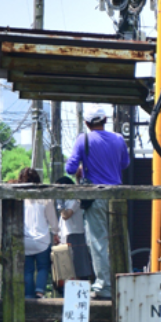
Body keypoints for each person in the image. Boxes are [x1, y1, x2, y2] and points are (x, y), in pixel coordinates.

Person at [65, 105, 130, 299]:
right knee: (120, 239)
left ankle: (105, 287)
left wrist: (84, 170)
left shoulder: (83, 139)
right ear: (105, 121)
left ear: (86, 123)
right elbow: (125, 163)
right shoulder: (119, 139)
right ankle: (125, 282)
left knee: (99, 242)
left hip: (96, 197)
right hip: (118, 196)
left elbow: (70, 168)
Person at [17, 167, 59, 299]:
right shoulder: (45, 198)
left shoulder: (19, 198)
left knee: (28, 270)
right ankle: (40, 292)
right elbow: (52, 219)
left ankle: (28, 296)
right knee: (43, 267)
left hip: (25, 240)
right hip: (42, 241)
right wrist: (56, 232)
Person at [55, 176, 93, 280]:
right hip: (65, 235)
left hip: (75, 234)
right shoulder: (65, 201)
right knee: (67, 267)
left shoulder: (75, 199)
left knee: (77, 266)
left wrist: (60, 205)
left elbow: (66, 215)